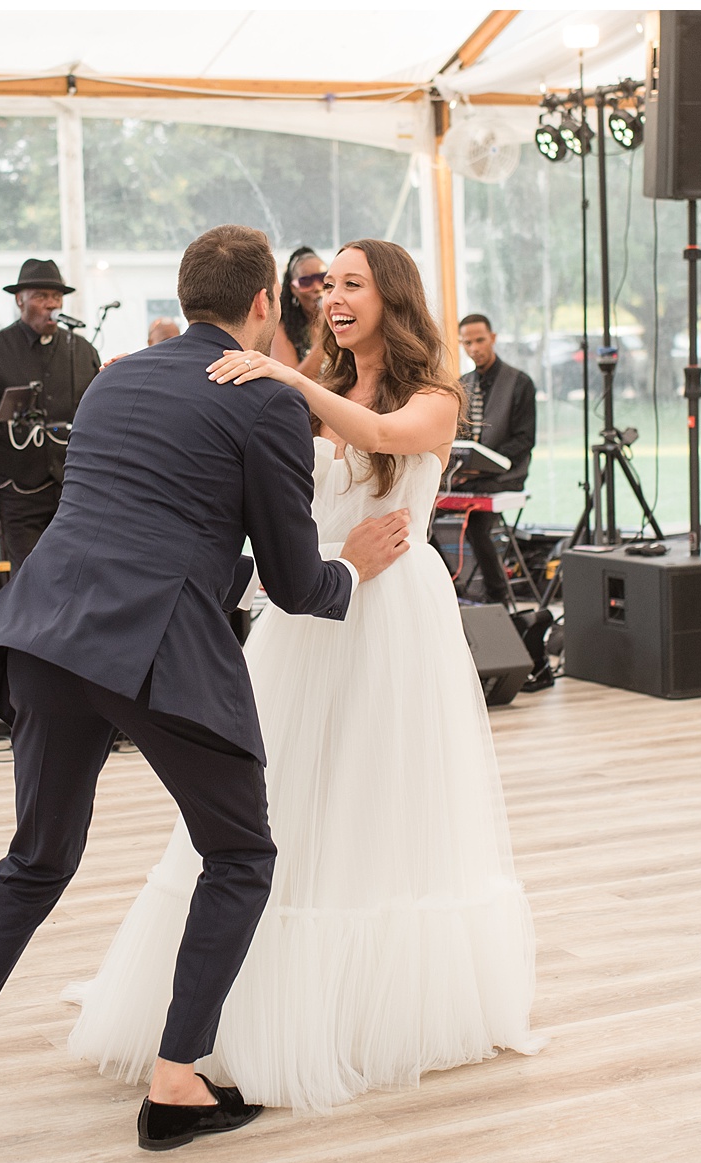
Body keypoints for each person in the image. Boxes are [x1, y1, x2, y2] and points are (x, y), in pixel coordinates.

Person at [0, 225, 413, 1153]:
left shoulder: (116, 378)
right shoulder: (267, 403)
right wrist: (350, 568)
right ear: (268, 303)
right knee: (240, 855)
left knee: (33, 864)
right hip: (150, 648)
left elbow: (146, 517)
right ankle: (174, 1083)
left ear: (188, 296)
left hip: (46, 631)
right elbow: (290, 580)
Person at [67, 239, 541, 1116]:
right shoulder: (301, 386)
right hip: (307, 604)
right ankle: (220, 1003)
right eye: (327, 287)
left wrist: (289, 382)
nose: (333, 299)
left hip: (395, 614)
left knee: (374, 794)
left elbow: (387, 437)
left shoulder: (434, 396)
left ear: (393, 297)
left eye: (353, 285)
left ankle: (359, 1008)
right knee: (272, 797)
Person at [0, 259, 101, 568]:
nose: (50, 304)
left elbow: (95, 421)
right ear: (19, 299)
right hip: (16, 494)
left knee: (76, 577)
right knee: (31, 581)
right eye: (40, 296)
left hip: (72, 492)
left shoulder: (81, 351)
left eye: (56, 297)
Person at [452, 313, 538, 604]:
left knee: (478, 524)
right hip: (467, 476)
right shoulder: (462, 384)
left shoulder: (519, 383)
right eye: (468, 343)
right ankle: (450, 591)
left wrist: (487, 463)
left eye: (480, 340)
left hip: (505, 475)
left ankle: (496, 596)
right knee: (420, 513)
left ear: (493, 338)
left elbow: (524, 440)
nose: (474, 348)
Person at [269, 246, 329, 378]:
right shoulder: (281, 329)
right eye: (306, 282)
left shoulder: (343, 320)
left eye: (322, 278)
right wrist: (324, 338)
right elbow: (291, 385)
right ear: (293, 289)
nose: (318, 288)